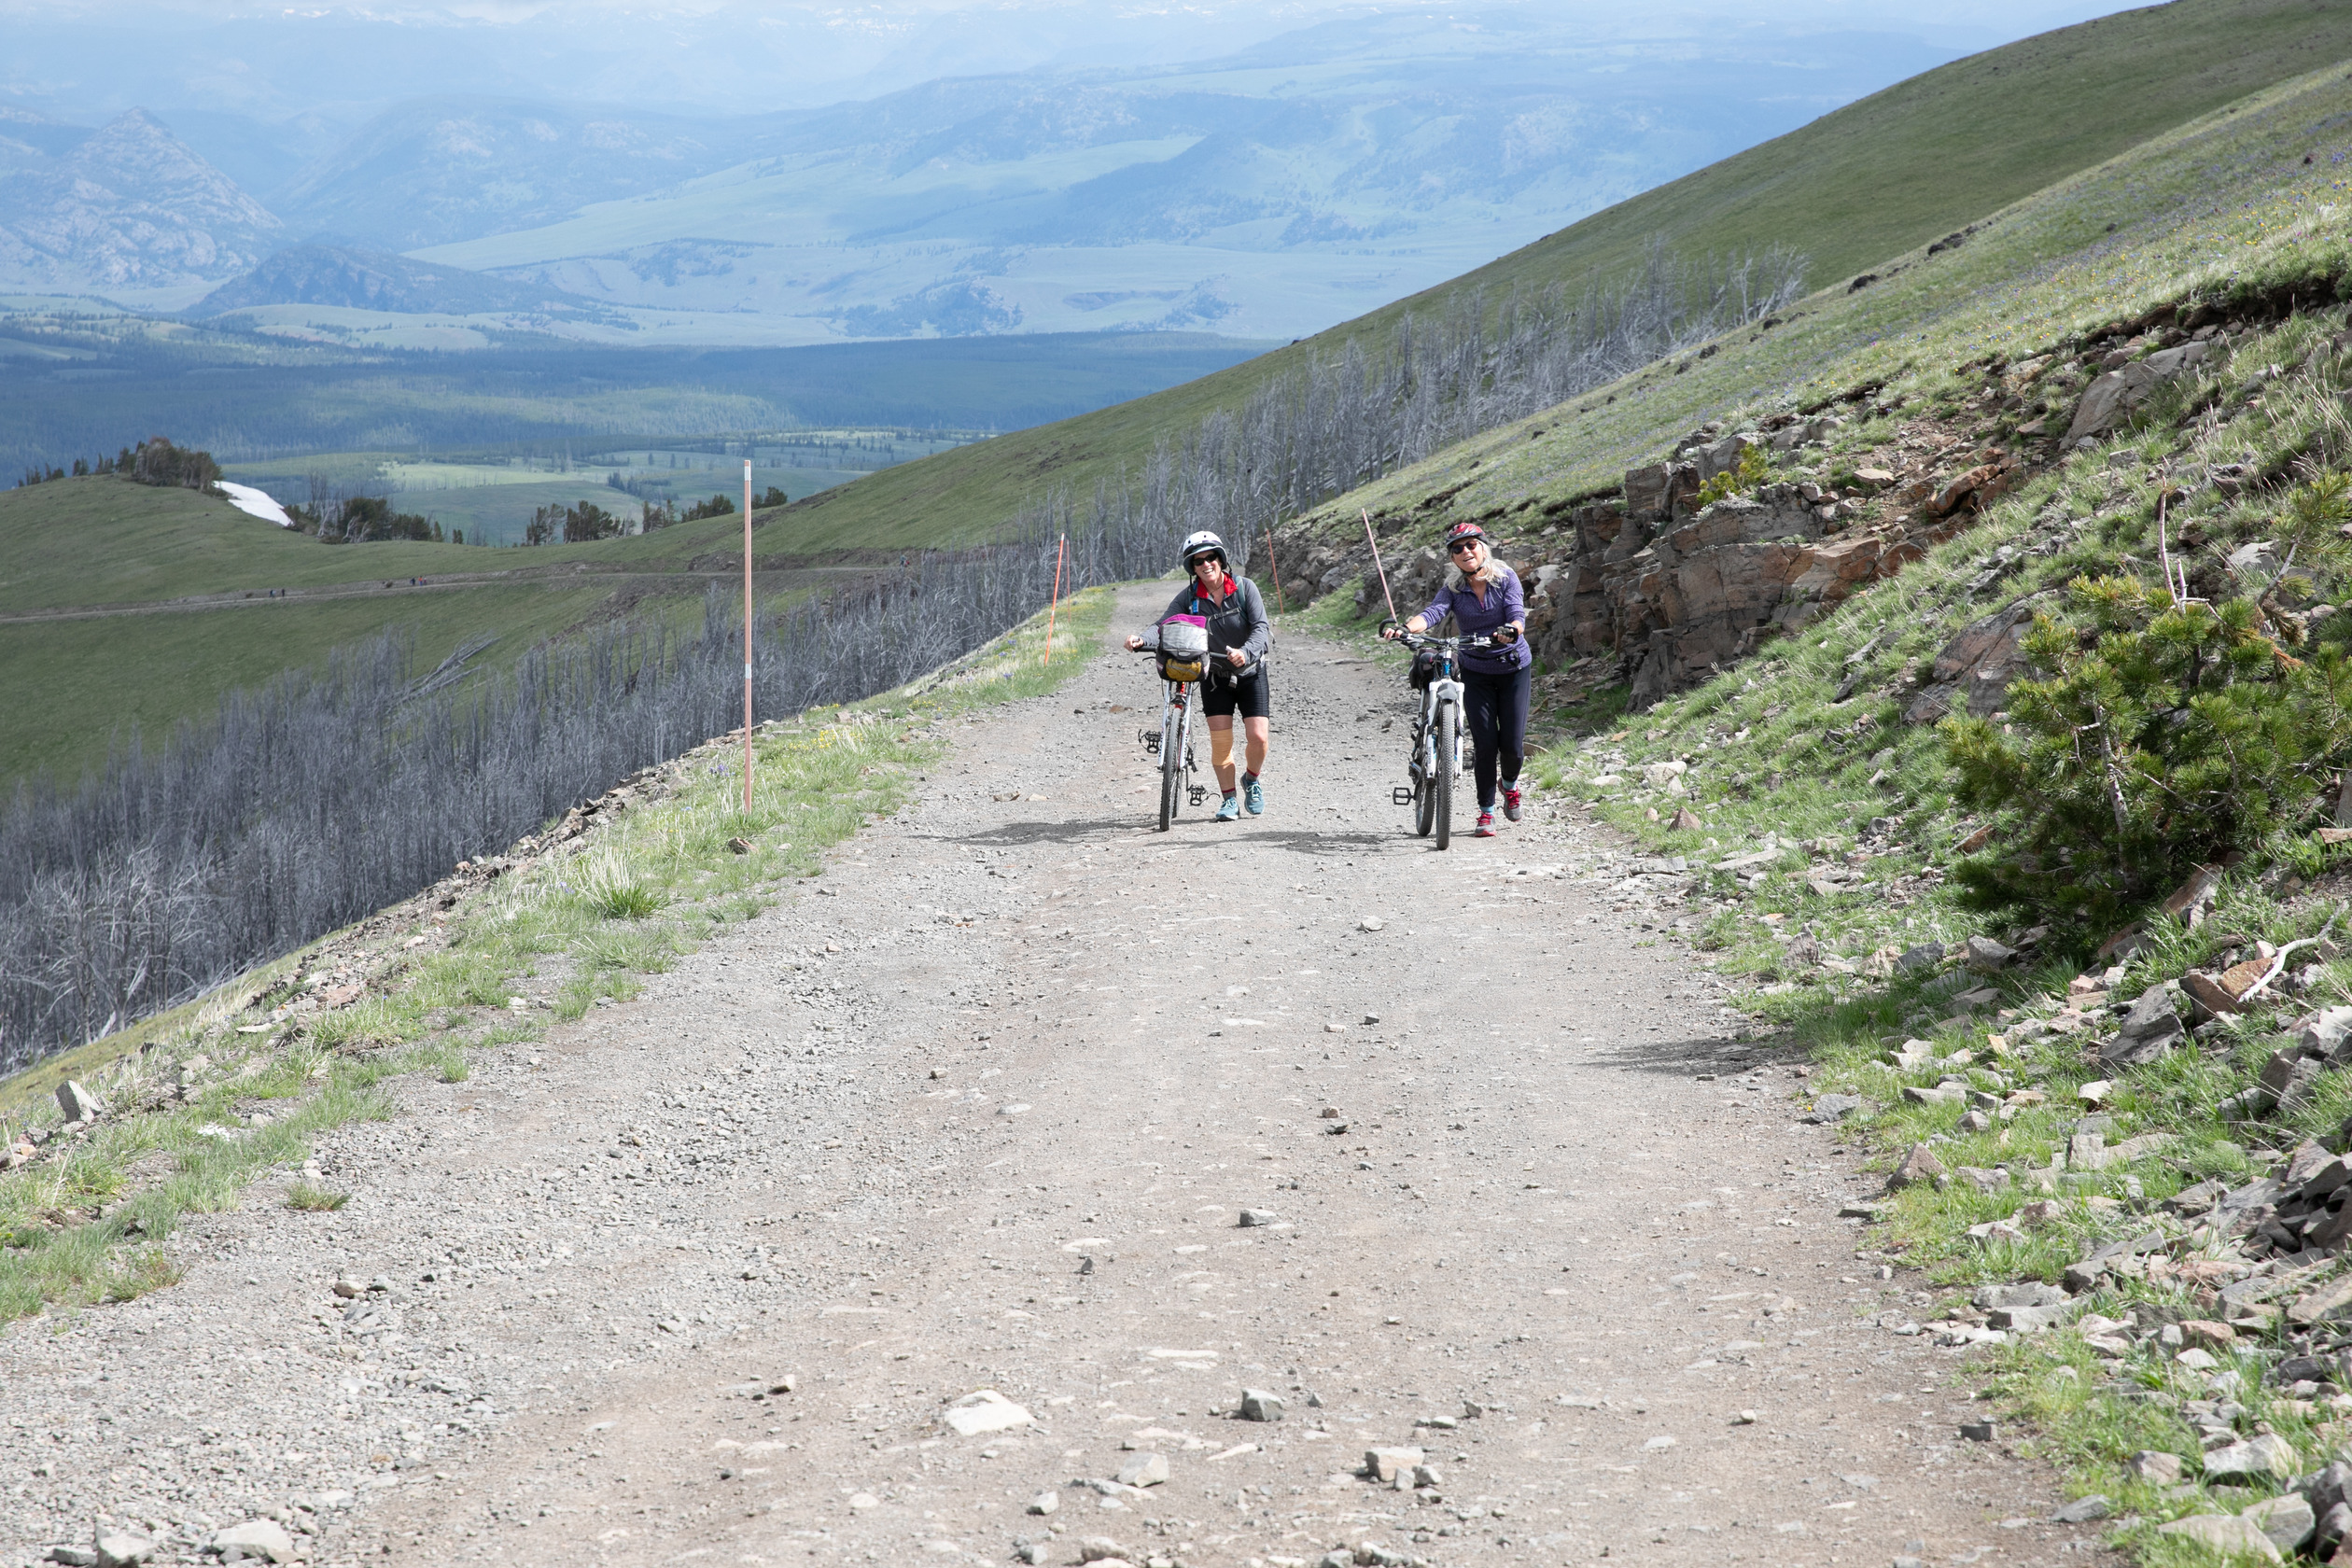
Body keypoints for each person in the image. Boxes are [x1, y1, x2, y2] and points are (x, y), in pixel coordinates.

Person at [1383, 520, 1530, 838]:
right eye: (1457, 549)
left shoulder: (1505, 578)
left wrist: (1511, 630)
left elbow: (1516, 613)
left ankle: (1510, 786)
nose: (1466, 552)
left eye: (1471, 545)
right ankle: (1486, 813)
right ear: (1452, 558)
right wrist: (1406, 628)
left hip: (1513, 667)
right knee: (1485, 744)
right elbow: (1434, 612)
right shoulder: (1453, 589)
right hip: (1476, 670)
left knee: (1513, 747)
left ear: (1483, 548)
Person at [1125, 530, 1272, 820]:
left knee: (1258, 738)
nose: (1206, 564)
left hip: (1251, 672)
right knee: (1221, 743)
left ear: (1221, 559)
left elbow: (1261, 629)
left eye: (1211, 557)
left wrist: (1245, 651)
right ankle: (1229, 800)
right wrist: (1142, 639)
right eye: (1198, 561)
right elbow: (1164, 624)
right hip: (1214, 675)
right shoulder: (1190, 598)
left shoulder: (1245, 589)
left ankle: (1251, 779)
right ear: (1192, 568)